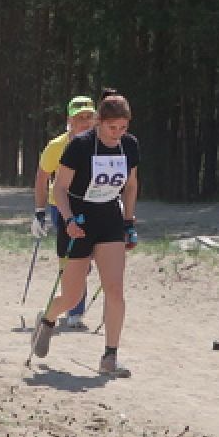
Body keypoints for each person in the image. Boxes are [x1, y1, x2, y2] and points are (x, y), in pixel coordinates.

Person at [31, 92, 140, 377]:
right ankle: (47, 320)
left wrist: (128, 222)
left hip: (109, 219)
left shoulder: (129, 146)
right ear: (99, 123)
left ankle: (110, 357)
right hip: (78, 218)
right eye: (112, 128)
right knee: (71, 296)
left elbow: (130, 185)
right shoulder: (79, 146)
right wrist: (67, 220)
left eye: (123, 128)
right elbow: (60, 188)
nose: (117, 134)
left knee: (115, 289)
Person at [32, 95, 99, 329]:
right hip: (60, 205)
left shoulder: (101, 144)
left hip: (91, 204)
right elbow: (42, 178)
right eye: (80, 118)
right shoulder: (56, 147)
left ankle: (70, 303)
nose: (85, 122)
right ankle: (74, 312)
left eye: (90, 117)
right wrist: (39, 211)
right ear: (69, 120)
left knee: (86, 261)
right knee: (71, 259)